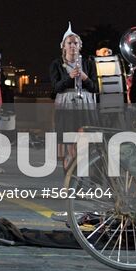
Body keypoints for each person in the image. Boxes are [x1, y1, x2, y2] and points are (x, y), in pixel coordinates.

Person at [50, 22, 98, 177]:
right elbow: (55, 89)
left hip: (85, 103)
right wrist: (69, 78)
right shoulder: (57, 64)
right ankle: (70, 179)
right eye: (69, 43)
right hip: (66, 105)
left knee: (84, 142)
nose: (72, 46)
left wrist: (85, 78)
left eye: (75, 43)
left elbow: (95, 88)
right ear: (63, 46)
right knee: (70, 143)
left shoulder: (88, 64)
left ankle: (83, 177)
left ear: (80, 46)